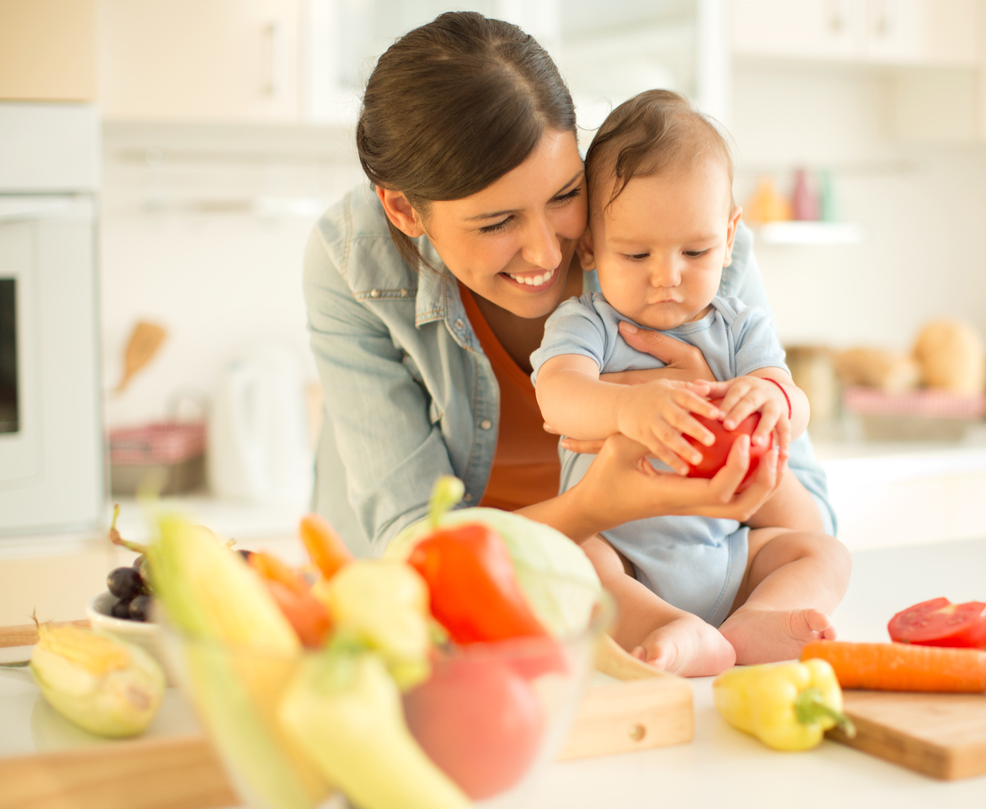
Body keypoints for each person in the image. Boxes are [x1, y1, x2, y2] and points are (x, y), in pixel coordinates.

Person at [301, 11, 845, 667]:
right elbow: (414, 560)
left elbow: (809, 516)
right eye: (498, 220)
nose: (547, 250)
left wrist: (737, 405)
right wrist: (596, 504)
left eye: (565, 194)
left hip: (674, 589)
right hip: (457, 621)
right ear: (404, 209)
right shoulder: (355, 263)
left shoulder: (676, 228)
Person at [531, 91, 850, 675]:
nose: (667, 277)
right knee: (572, 561)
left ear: (730, 238)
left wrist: (774, 398)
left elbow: (794, 403)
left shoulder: (739, 327)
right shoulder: (588, 323)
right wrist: (628, 409)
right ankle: (663, 628)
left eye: (695, 250)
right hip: (620, 551)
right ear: (592, 250)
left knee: (823, 553)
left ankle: (755, 621)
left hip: (726, 550)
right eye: (635, 254)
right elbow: (558, 395)